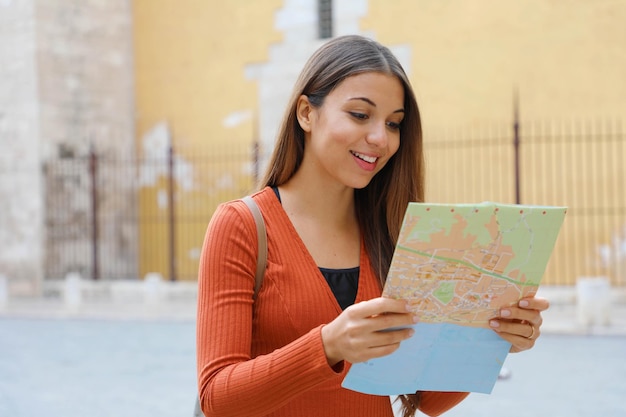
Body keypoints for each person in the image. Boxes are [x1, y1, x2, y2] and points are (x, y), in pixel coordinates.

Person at [196, 35, 549, 417]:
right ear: (305, 113)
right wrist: (328, 345)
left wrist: (489, 339)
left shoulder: (399, 234)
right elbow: (217, 398)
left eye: (394, 123)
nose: (381, 138)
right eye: (360, 115)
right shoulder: (242, 226)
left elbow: (429, 400)